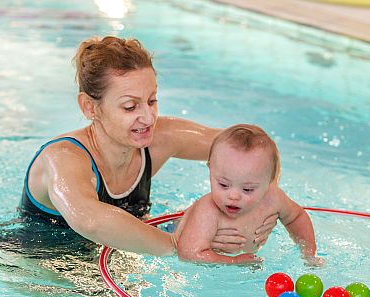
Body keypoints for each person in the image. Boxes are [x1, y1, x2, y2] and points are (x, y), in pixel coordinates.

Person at [18, 36, 276, 256]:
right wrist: (180, 245)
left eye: (152, 101)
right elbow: (91, 220)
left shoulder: (162, 137)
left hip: (116, 251)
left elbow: (259, 150)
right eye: (130, 106)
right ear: (90, 107)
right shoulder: (63, 157)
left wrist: (260, 206)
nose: (148, 118)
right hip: (44, 258)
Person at [173, 124, 319, 265]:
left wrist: (309, 253)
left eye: (248, 189)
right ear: (210, 169)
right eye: (223, 185)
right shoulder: (208, 211)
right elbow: (188, 253)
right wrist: (232, 261)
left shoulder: (273, 198)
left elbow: (297, 217)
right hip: (173, 231)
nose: (234, 196)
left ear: (269, 182)